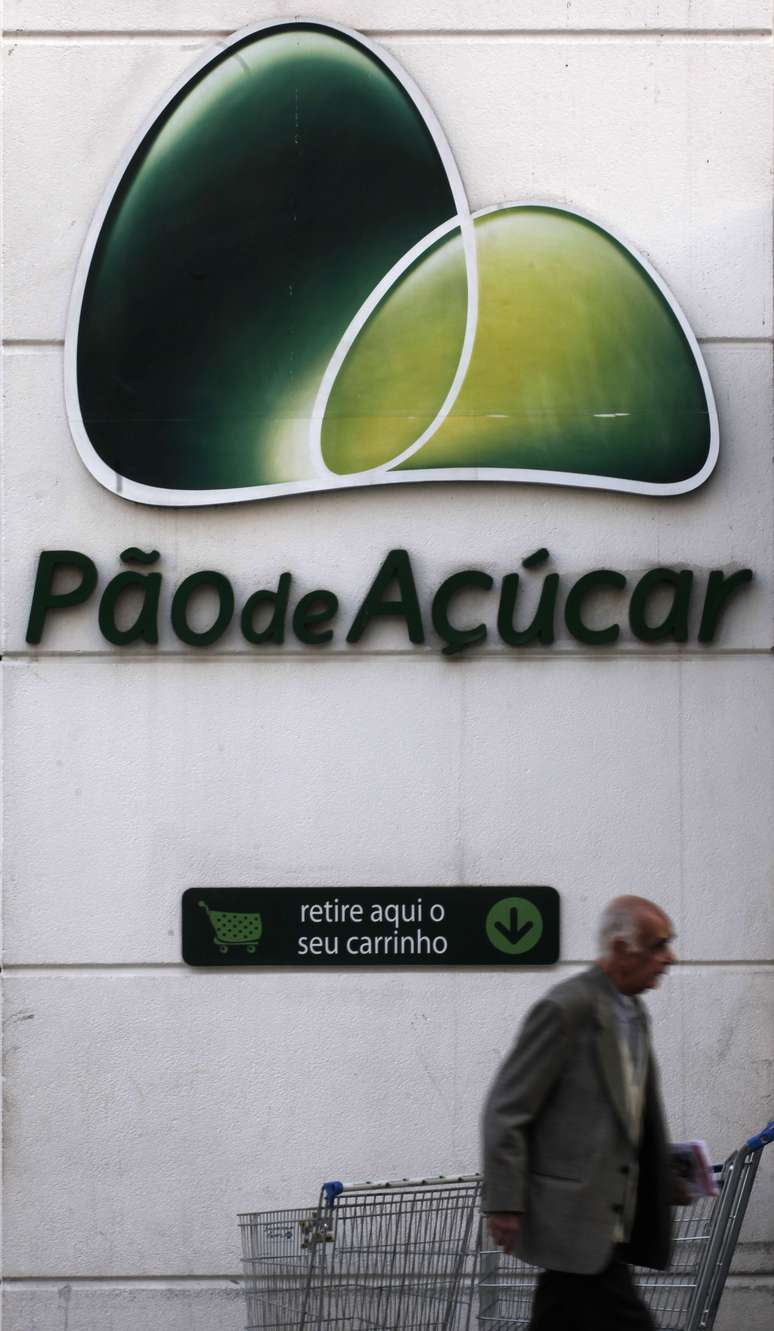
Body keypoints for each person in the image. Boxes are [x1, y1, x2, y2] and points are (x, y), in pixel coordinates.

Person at [482, 895, 677, 1330]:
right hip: (575, 1218)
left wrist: (665, 1171)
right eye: (659, 945)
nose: (670, 958)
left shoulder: (634, 1014)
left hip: (607, 1221)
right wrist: (505, 1204)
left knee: (562, 1311)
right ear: (623, 949)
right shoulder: (566, 1009)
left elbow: (626, 1116)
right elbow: (506, 1109)